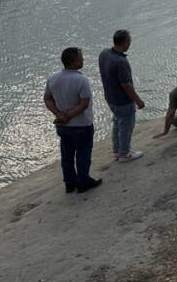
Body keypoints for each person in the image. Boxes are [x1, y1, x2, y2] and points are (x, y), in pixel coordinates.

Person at [44, 47, 101, 193]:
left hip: (63, 126)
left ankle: (69, 182)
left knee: (67, 155)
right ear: (73, 62)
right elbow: (84, 104)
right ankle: (83, 181)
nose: (83, 60)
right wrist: (68, 116)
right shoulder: (82, 80)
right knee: (83, 153)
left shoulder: (53, 78)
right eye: (81, 58)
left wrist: (58, 114)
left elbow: (47, 98)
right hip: (82, 125)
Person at [98, 29, 145, 162]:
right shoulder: (120, 62)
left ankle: (117, 149)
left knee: (117, 123)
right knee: (126, 125)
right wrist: (138, 100)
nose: (130, 43)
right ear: (125, 42)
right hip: (122, 100)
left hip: (110, 97)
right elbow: (126, 85)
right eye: (129, 41)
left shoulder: (104, 53)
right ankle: (125, 153)